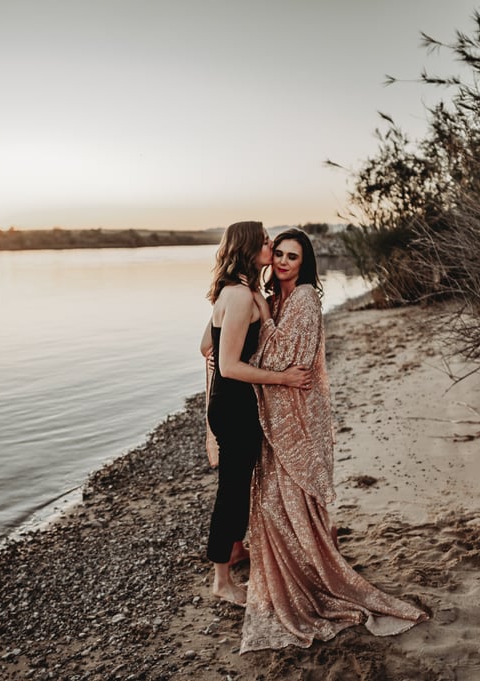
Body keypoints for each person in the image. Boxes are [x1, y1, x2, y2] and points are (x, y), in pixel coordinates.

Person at [241, 228, 429, 652]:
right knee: (272, 500)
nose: (285, 261)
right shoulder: (274, 298)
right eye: (281, 254)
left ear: (305, 263)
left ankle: (312, 577)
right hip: (275, 412)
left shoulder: (304, 299)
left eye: (294, 256)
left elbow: (287, 357)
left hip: (297, 418)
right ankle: (294, 573)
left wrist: (264, 327)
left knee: (281, 498)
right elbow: (257, 354)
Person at [199, 221, 312, 607]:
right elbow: (228, 366)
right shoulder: (241, 296)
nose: (271, 245)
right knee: (232, 491)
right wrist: (281, 377)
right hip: (234, 406)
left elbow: (205, 347)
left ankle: (234, 550)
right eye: (265, 241)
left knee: (239, 483)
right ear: (250, 248)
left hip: (230, 403)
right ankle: (222, 581)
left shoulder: (235, 292)